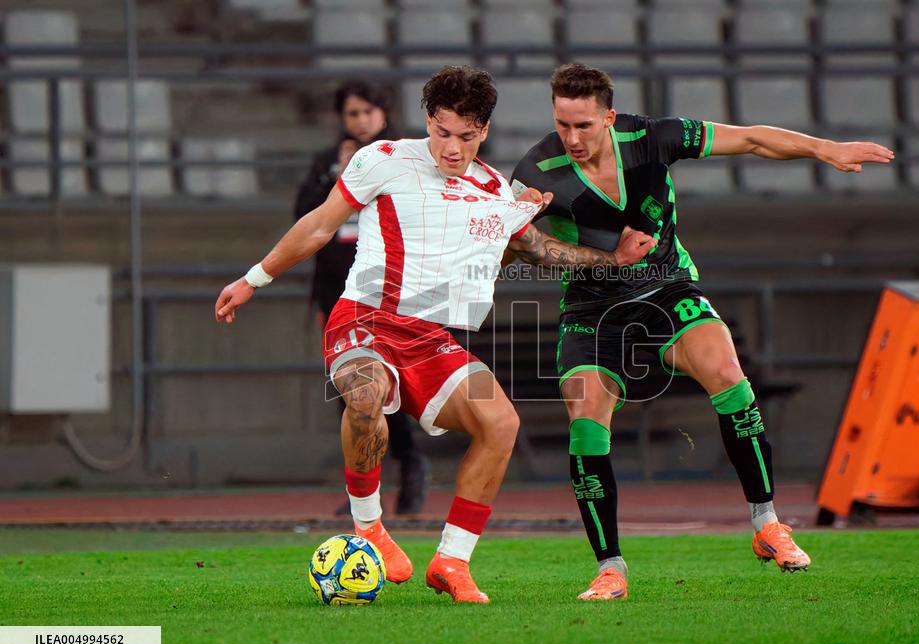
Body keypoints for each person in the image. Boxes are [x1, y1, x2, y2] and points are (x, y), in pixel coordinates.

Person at [215, 66, 655, 603]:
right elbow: (320, 224)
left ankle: (451, 561)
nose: (452, 147)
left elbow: (540, 250)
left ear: (484, 132)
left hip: (430, 338)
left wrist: (611, 259)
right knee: (365, 394)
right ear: (428, 120)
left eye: (466, 137)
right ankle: (370, 529)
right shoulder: (382, 159)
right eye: (442, 132)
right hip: (365, 319)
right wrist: (252, 279)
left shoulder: (494, 188)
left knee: (500, 423)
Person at [511, 63, 894, 601]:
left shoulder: (652, 137)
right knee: (586, 426)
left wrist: (823, 149)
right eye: (562, 124)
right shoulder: (535, 171)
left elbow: (754, 140)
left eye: (584, 126)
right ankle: (611, 569)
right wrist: (587, 253)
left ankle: (767, 524)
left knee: (727, 373)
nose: (572, 138)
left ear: (610, 117)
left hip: (668, 289)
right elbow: (514, 248)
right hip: (593, 307)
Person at [294, 81, 428, 515]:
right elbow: (305, 219)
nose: (360, 122)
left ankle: (412, 472)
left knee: (392, 390)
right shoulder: (326, 162)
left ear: (384, 114)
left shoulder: (405, 159)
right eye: (352, 114)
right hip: (337, 295)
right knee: (347, 390)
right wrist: (338, 173)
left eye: (368, 112)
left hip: (390, 294)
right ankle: (362, 492)